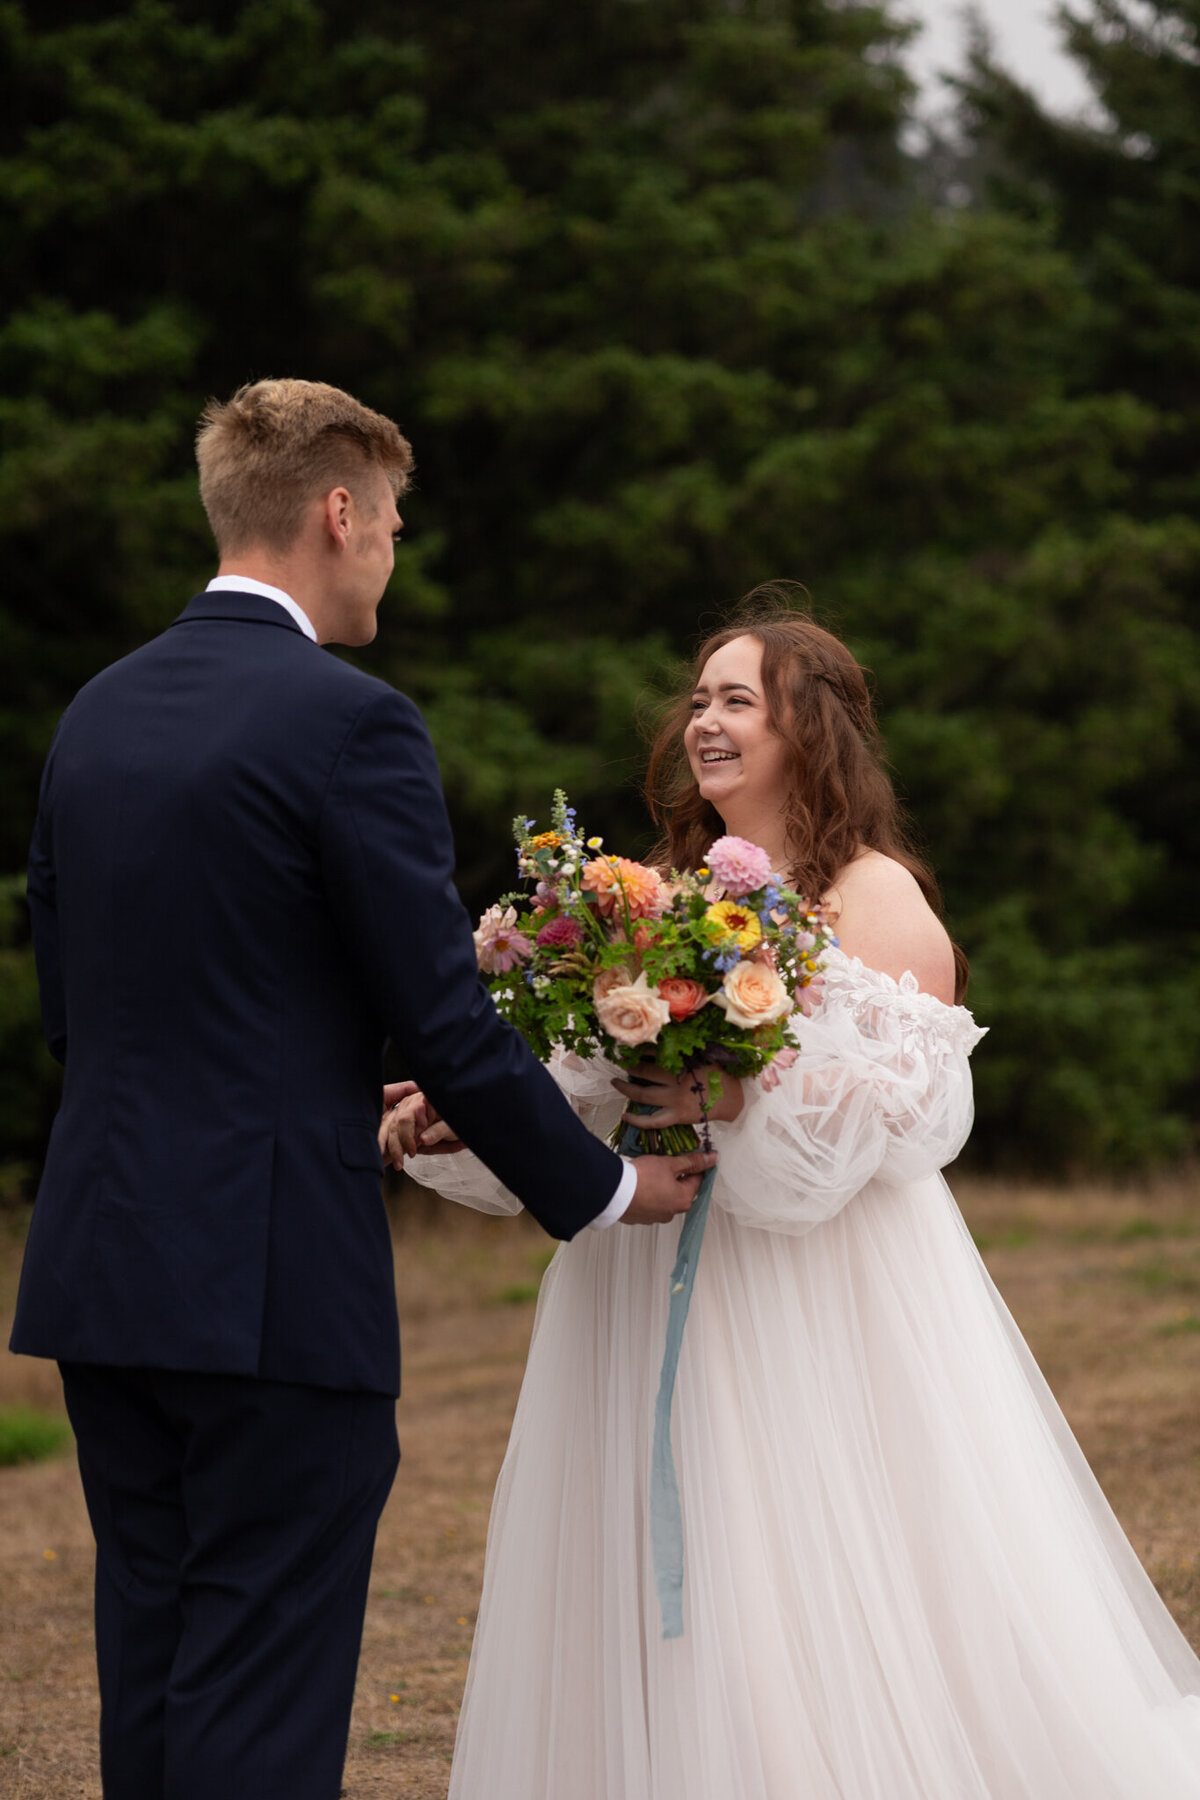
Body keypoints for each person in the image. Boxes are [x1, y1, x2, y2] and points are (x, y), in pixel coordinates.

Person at [8, 377, 711, 1800]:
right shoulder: (352, 726)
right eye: (389, 520)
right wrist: (605, 1186)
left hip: (105, 1261)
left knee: (156, 1659)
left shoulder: (98, 712)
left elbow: (70, 1006)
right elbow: (442, 1022)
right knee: (262, 1687)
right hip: (270, 1278)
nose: (391, 548)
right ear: (338, 514)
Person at [393, 592, 1200, 1799]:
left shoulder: (875, 896)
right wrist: (469, 1104)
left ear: (805, 730)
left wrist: (718, 1096)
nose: (706, 722)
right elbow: (581, 1080)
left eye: (738, 701)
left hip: (812, 1286)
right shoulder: (647, 890)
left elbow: (888, 1126)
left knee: (788, 1540)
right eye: (701, 699)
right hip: (642, 1264)